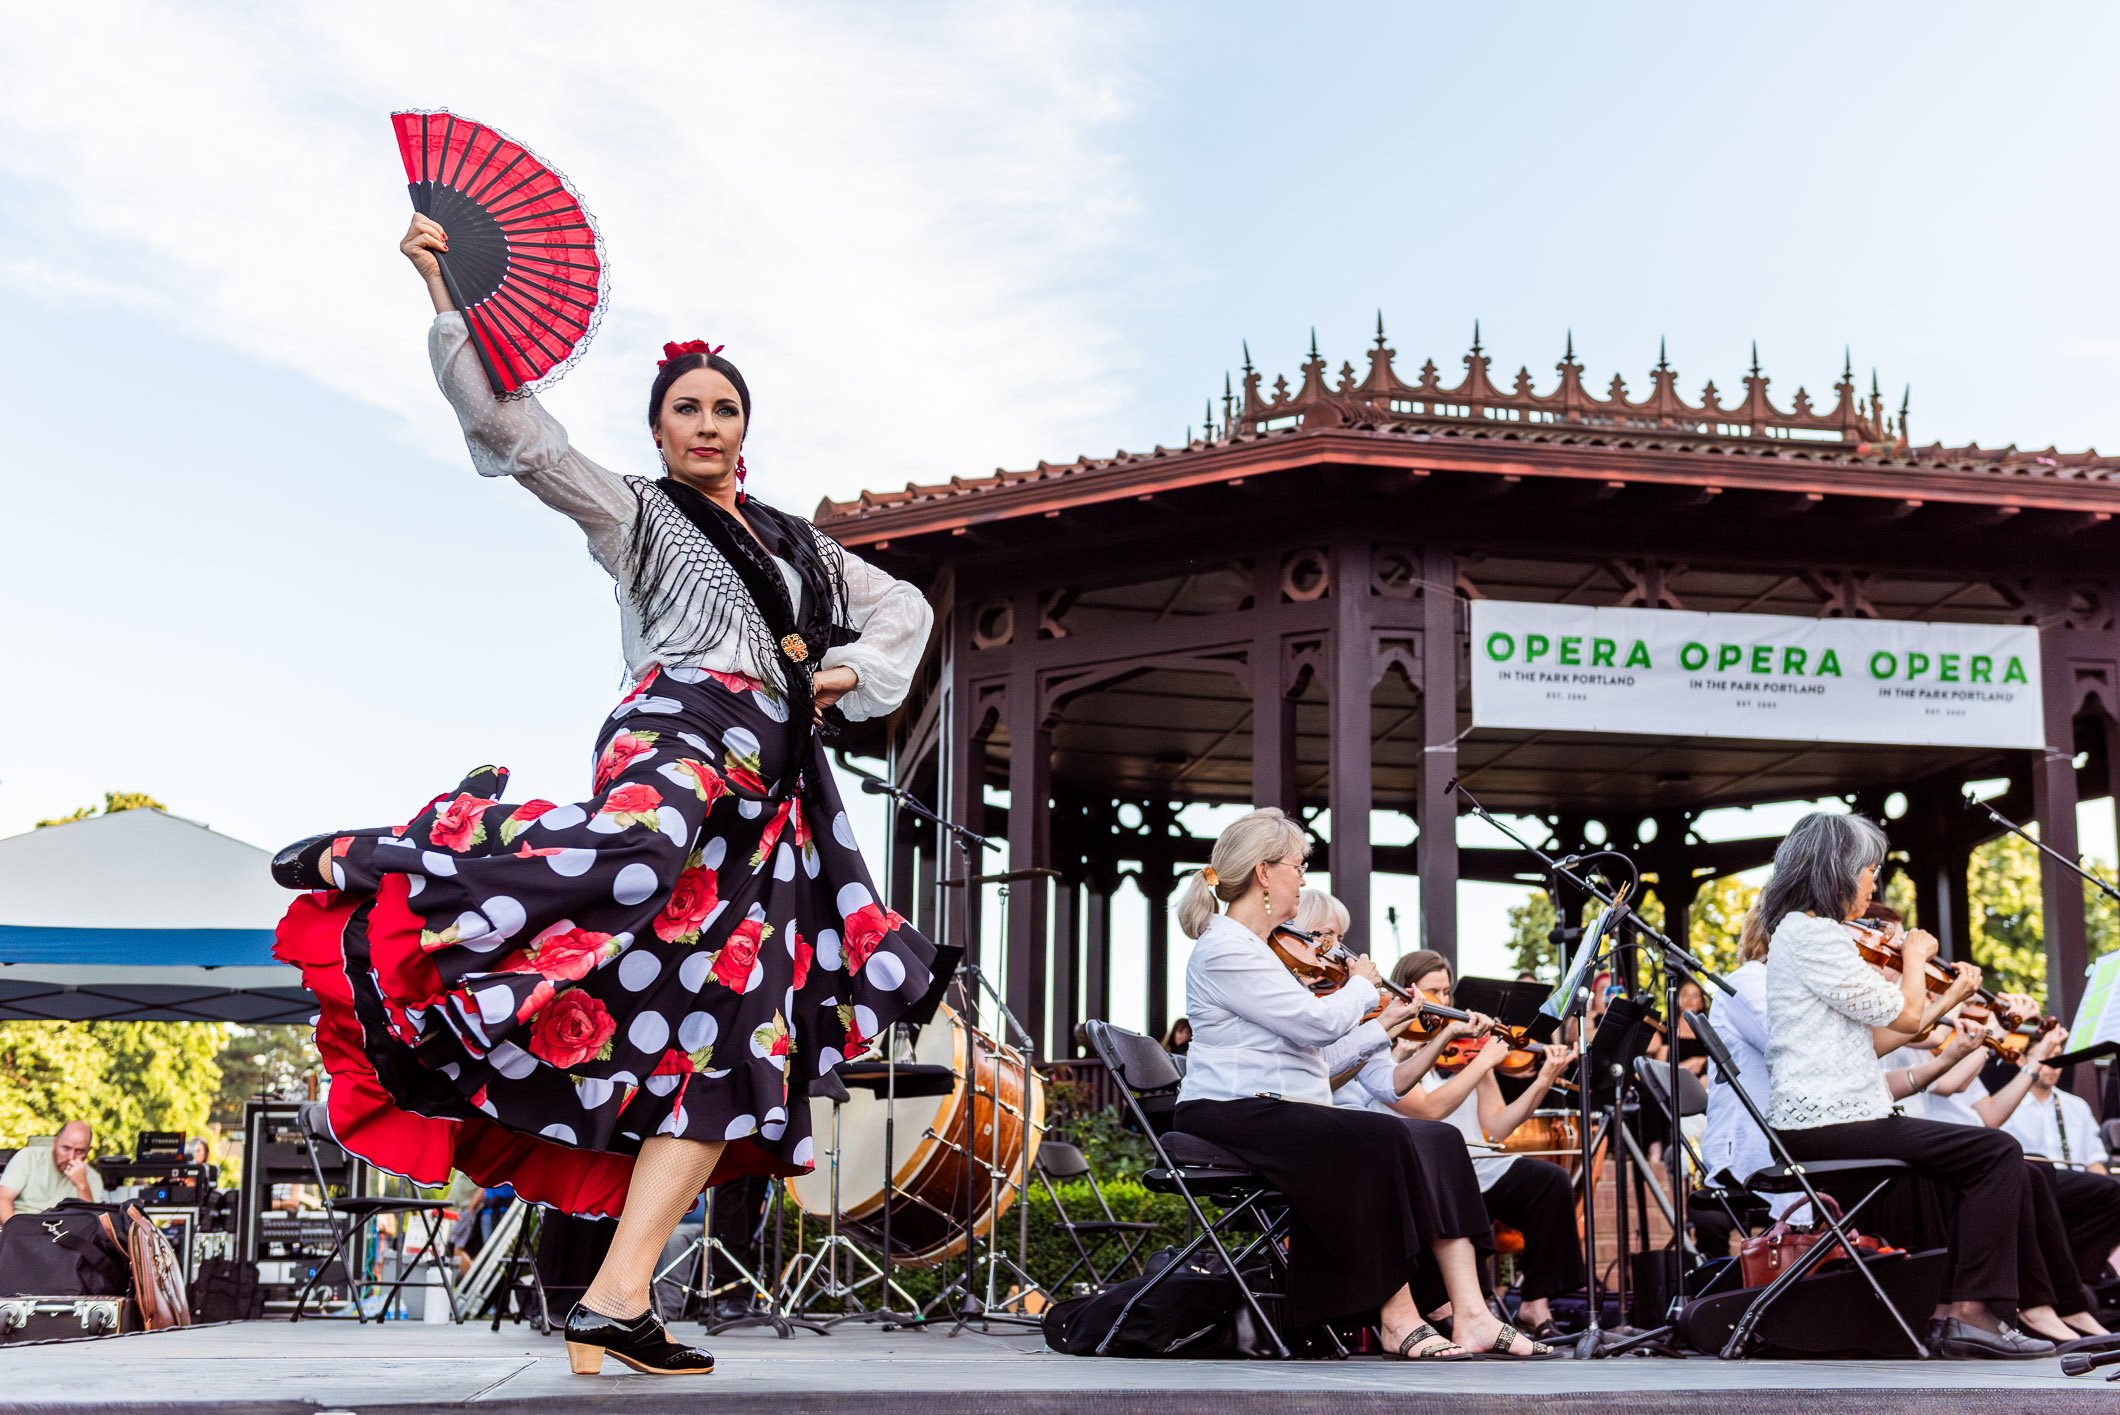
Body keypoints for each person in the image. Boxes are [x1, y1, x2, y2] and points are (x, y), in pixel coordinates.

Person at [269, 213, 940, 1378]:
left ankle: (615, 1300)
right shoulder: (632, 510)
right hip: (678, 726)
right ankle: (389, 859)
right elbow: (512, 432)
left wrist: (837, 675)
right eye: (686, 407)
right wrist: (445, 299)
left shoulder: (800, 547)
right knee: (625, 864)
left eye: (724, 407)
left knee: (742, 1040)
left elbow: (908, 615)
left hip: (774, 780)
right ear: (658, 427)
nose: (707, 423)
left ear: (746, 429)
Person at [1172, 809, 1557, 1359]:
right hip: (1230, 1109)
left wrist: (1386, 1024)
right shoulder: (1226, 947)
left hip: (1279, 1105)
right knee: (1382, 1138)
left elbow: (1321, 1055)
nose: (1302, 879)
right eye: (1297, 867)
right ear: (1264, 873)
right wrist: (1362, 987)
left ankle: (1471, 1313)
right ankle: (1397, 1317)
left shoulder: (1259, 948)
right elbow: (1316, 1023)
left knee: (1439, 1139)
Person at [1759, 811, 2052, 1358]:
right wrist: (1915, 956)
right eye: (1869, 870)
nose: (1874, 883)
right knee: (1997, 1153)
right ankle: (1971, 1313)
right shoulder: (1813, 935)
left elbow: (1873, 1043)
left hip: (1837, 1117)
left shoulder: (1805, 935)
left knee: (1959, 1168)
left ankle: (1944, 1313)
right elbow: (1906, 1014)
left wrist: (1954, 1000)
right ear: (1837, 871)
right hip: (1825, 1123)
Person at [1354, 949, 1585, 1341]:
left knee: (1550, 1183)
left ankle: (1535, 1303)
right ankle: (1467, 1308)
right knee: (1463, 1207)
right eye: (1433, 992)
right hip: (1431, 1175)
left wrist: (1543, 1080)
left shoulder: (1465, 1049)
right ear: (1408, 993)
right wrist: (1481, 1062)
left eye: (1447, 992)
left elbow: (1496, 1126)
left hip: (1480, 1163)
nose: (1444, 1003)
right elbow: (1430, 1110)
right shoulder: (1392, 1052)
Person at [0, 1122, 104, 1224]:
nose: (70, 1157)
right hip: (21, 1226)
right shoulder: (28, 1157)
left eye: (79, 1151)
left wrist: (82, 1185)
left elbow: (91, 1224)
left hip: (64, 1236)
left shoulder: (93, 1178)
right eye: (66, 1148)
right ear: (55, 1142)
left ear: (88, 1151)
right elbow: (3, 1198)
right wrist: (14, 1233)